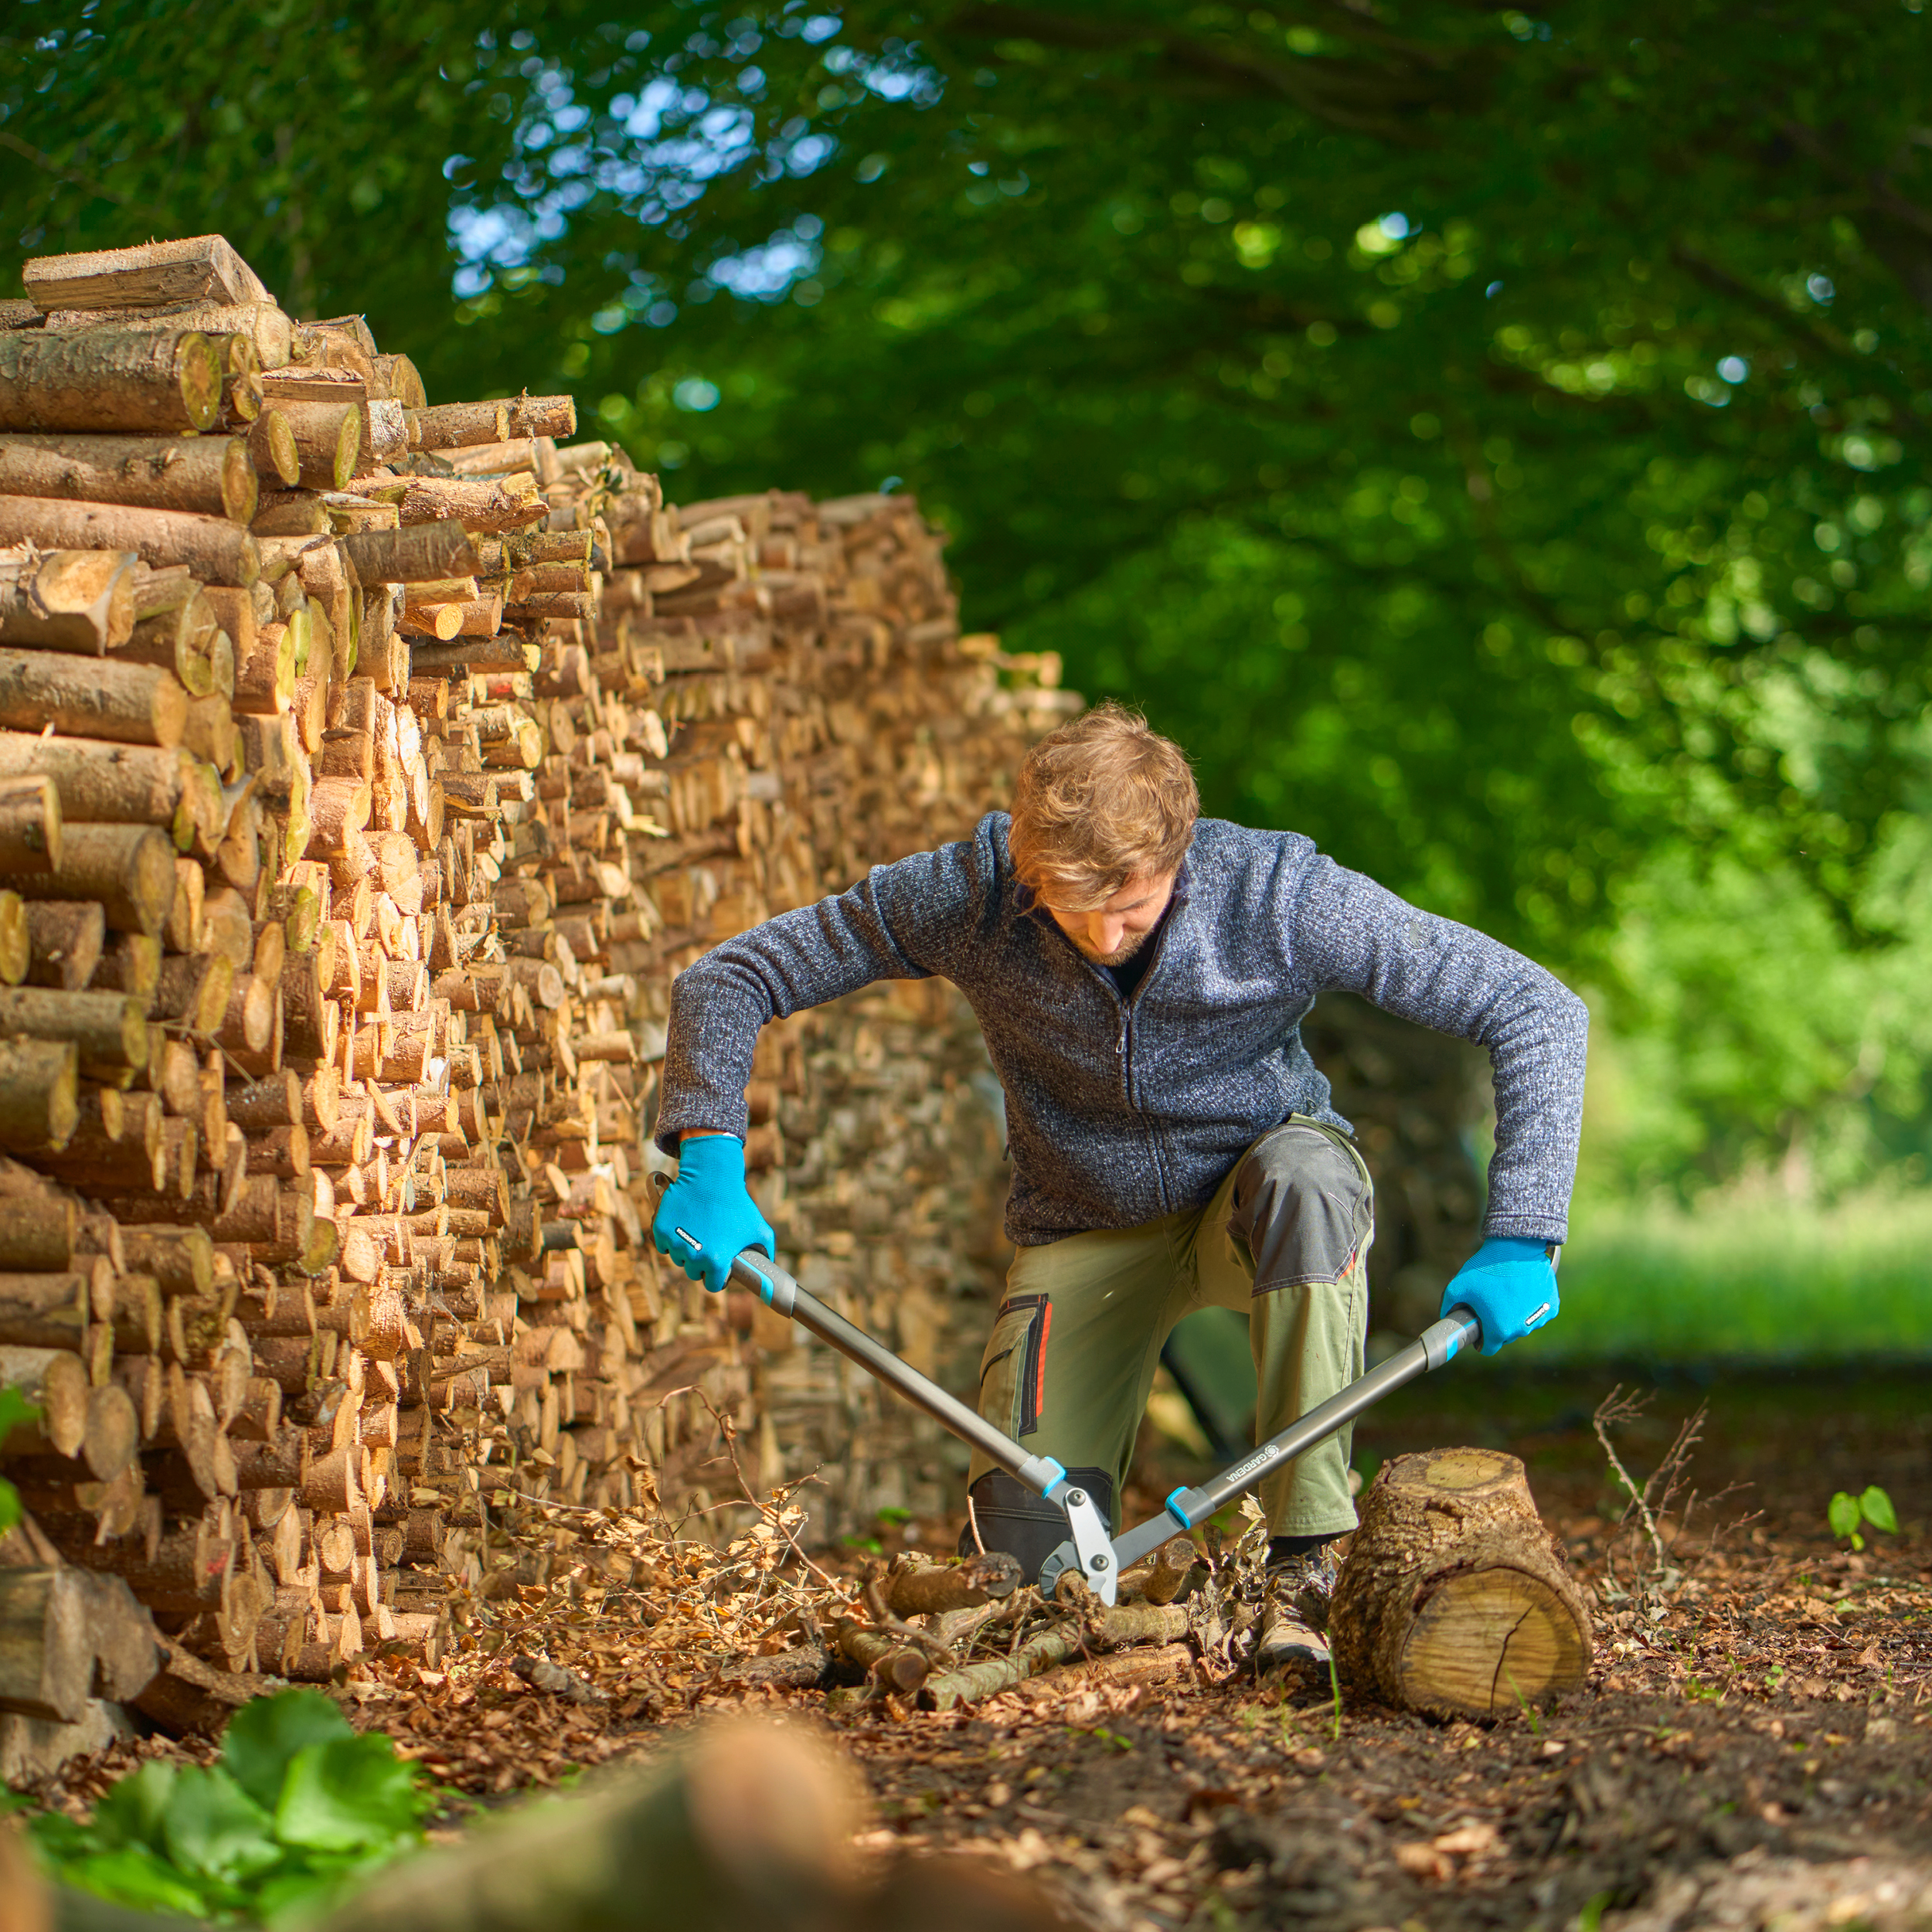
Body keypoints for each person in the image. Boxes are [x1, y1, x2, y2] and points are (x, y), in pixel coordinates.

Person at [651, 703, 1587, 1668]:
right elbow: (734, 976)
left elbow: (1532, 1005)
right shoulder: (974, 891)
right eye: (1071, 902)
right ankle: (1060, 1582)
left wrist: (1524, 1230)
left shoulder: (1275, 893)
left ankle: (1301, 1566)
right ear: (1026, 864)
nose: (1102, 931)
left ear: (1181, 852)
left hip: (1254, 1205)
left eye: (1130, 907)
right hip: (1082, 1224)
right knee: (1023, 1579)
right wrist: (710, 1153)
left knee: (1308, 1178)